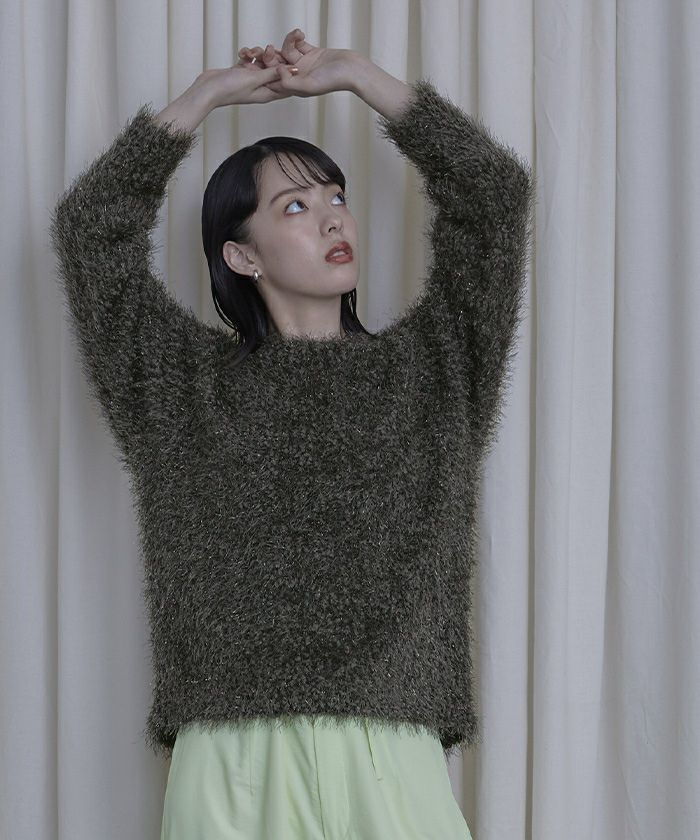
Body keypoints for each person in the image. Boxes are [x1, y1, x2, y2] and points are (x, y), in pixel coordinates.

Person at [50, 24, 535, 840]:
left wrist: (360, 77)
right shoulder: (180, 388)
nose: (332, 220)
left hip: (392, 750)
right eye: (296, 207)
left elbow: (494, 197)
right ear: (242, 257)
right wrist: (206, 96)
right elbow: (90, 230)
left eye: (336, 198)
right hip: (230, 757)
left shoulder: (436, 370)